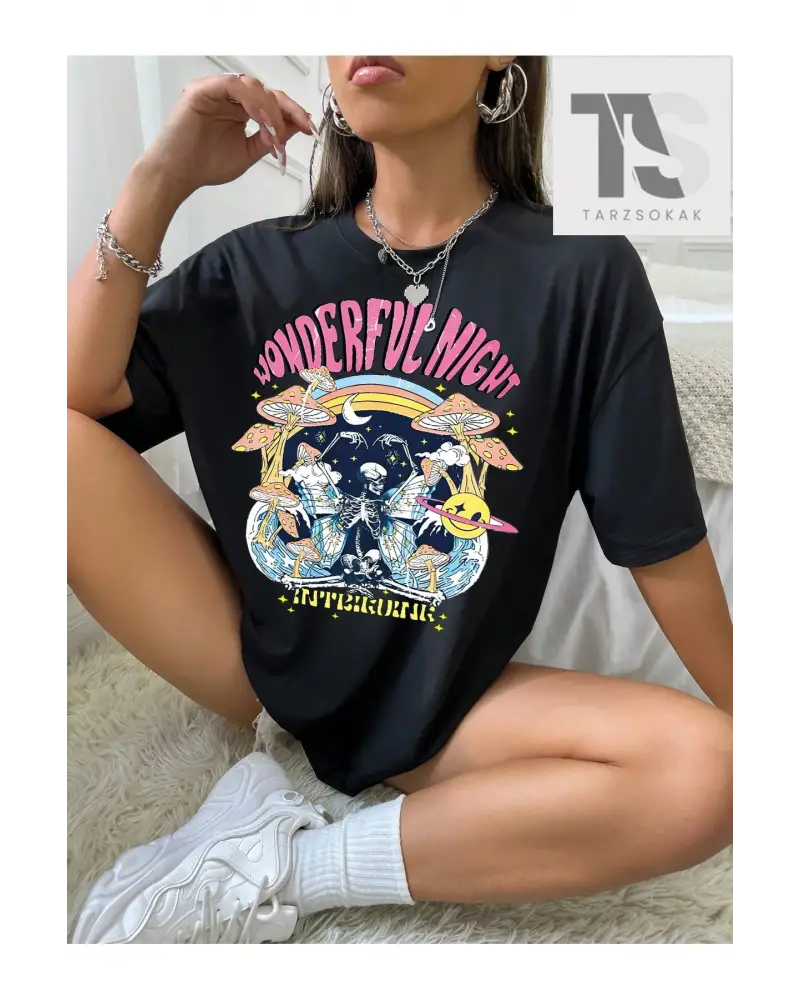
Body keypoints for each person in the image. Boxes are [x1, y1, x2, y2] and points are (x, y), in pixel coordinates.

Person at [66, 56, 735, 944]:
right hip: (262, 668)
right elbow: (76, 395)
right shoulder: (251, 268)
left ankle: (281, 867)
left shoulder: (581, 272)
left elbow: (659, 538)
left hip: (446, 706)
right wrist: (159, 180)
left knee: (712, 771)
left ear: (497, 52)